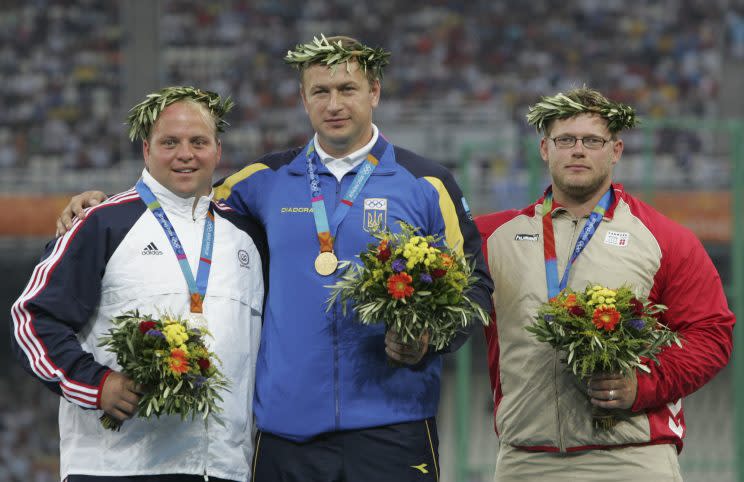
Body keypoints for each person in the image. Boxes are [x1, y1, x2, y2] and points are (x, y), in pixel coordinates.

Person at [56, 34, 493, 482]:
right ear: (304, 98)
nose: (334, 104)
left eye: (347, 89)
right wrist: (101, 202)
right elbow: (180, 192)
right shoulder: (262, 181)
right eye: (320, 92)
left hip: (395, 426)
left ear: (374, 92)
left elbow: (475, 285)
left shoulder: (427, 183)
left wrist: (427, 340)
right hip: (286, 435)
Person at [476, 87, 735, 481]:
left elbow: (711, 333)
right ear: (545, 149)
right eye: (566, 139)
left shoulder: (665, 238)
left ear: (615, 151)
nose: (578, 150)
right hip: (525, 461)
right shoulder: (492, 237)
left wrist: (644, 383)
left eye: (592, 140)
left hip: (633, 459)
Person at [12, 86, 268, 482]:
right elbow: (32, 319)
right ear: (146, 150)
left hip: (222, 468)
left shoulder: (248, 236)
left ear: (218, 151)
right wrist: (96, 384)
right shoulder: (101, 222)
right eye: (170, 142)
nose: (185, 153)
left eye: (198, 142)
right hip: (116, 467)